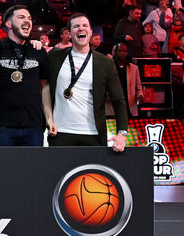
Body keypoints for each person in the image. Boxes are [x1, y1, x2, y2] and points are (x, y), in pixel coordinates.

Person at [43, 14, 129, 151]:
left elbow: (119, 100)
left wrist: (122, 133)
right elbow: (44, 86)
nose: (80, 29)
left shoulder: (105, 62)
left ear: (90, 33)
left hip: (93, 135)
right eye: (76, 26)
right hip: (60, 133)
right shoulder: (55, 56)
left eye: (85, 26)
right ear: (69, 34)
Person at [0, 4, 51, 146]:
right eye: (21, 17)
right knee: (3, 168)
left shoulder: (38, 50)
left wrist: (49, 118)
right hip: (2, 126)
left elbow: (44, 86)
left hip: (33, 126)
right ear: (8, 24)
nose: (27, 21)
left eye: (29, 18)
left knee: (33, 169)